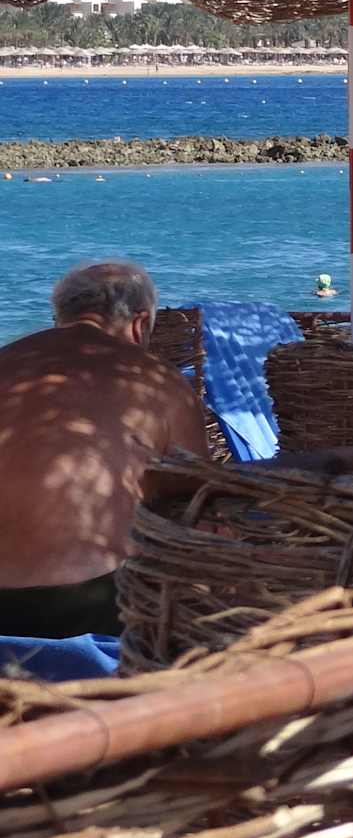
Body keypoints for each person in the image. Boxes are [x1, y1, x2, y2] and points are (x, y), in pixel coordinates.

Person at [0, 262, 205, 637]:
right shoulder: (158, 380)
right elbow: (198, 498)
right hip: (86, 601)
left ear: (61, 317)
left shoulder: (7, 359)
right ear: (140, 324)